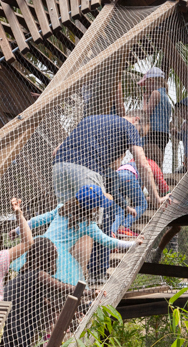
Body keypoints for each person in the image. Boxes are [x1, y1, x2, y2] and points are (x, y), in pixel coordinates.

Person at [51, 114, 164, 277]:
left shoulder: (92, 119)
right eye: (140, 133)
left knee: (68, 221)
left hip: (60, 167)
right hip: (86, 170)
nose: (138, 136)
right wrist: (156, 198)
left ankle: (60, 274)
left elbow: (56, 150)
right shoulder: (128, 127)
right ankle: (77, 281)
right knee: (86, 226)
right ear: (136, 120)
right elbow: (143, 165)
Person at [9, 184, 144, 286]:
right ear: (93, 208)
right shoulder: (87, 225)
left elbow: (38, 220)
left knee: (28, 274)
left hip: (39, 245)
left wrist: (17, 230)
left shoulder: (61, 208)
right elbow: (107, 241)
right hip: (56, 255)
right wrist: (133, 243)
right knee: (49, 281)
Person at [0, 237, 99, 347]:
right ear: (49, 258)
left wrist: (82, 309)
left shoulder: (24, 274)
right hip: (15, 328)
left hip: (5, 325)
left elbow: (49, 302)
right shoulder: (39, 275)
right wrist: (91, 293)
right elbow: (63, 287)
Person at [113, 158, 170, 237]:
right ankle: (125, 226)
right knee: (143, 204)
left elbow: (136, 194)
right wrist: (168, 194)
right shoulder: (154, 165)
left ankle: (112, 231)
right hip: (129, 176)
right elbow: (162, 184)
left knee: (120, 210)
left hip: (116, 176)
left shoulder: (133, 160)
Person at [139, 67, 172, 169]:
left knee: (147, 163)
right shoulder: (165, 97)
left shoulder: (155, 93)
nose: (145, 88)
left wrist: (144, 100)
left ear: (152, 81)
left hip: (153, 133)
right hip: (164, 134)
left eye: (146, 84)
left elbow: (146, 114)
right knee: (157, 162)